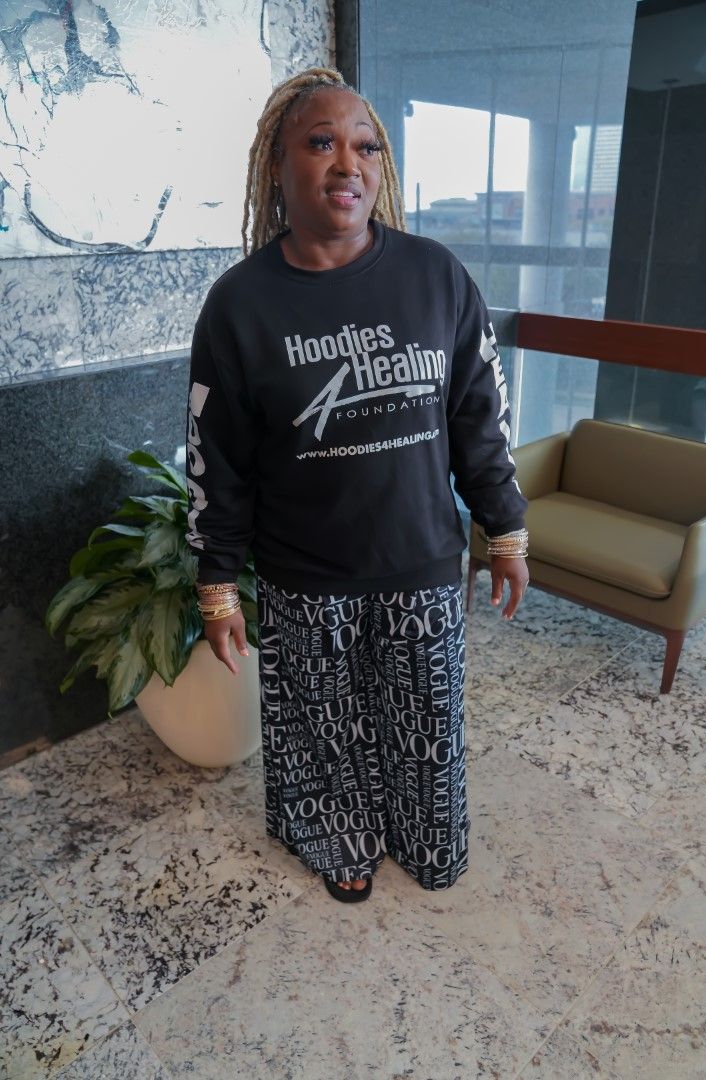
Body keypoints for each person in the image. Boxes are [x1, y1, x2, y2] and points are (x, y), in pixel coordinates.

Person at [184, 66, 529, 903]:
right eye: (321, 142)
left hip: (419, 563)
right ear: (278, 165)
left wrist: (504, 526)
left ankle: (426, 836)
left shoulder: (436, 277)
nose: (350, 162)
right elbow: (215, 456)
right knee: (323, 734)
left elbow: (479, 416)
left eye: (366, 145)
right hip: (307, 575)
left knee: (426, 729)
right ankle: (339, 843)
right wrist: (218, 583)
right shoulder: (239, 306)